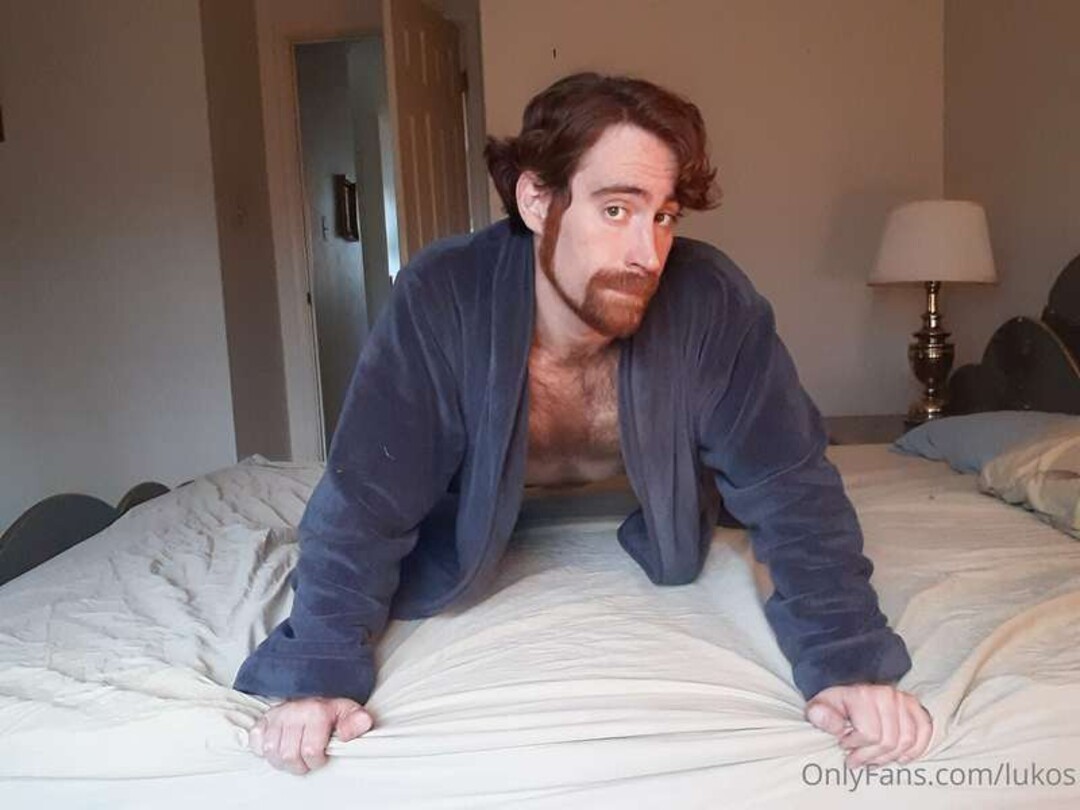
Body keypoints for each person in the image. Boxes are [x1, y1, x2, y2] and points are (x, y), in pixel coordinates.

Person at [236, 72, 933, 775]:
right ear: (538, 200)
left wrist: (848, 661)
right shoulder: (447, 294)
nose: (646, 254)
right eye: (616, 210)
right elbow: (367, 497)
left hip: (665, 510)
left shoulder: (710, 301)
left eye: (664, 217)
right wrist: (318, 670)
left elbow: (790, 485)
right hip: (468, 521)